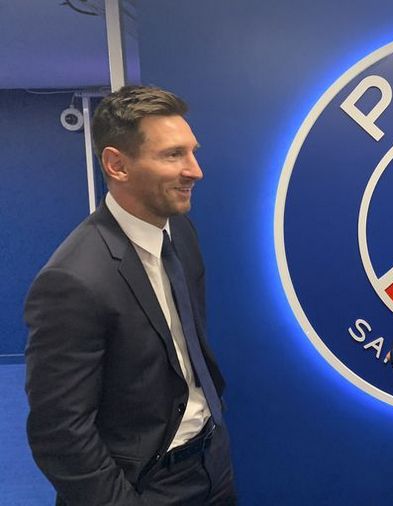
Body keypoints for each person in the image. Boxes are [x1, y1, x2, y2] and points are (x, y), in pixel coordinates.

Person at [24, 85, 235, 505]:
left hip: (210, 464)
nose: (195, 171)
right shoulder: (72, 280)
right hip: (144, 485)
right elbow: (60, 432)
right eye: (173, 155)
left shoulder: (180, 231)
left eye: (192, 152)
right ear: (117, 165)